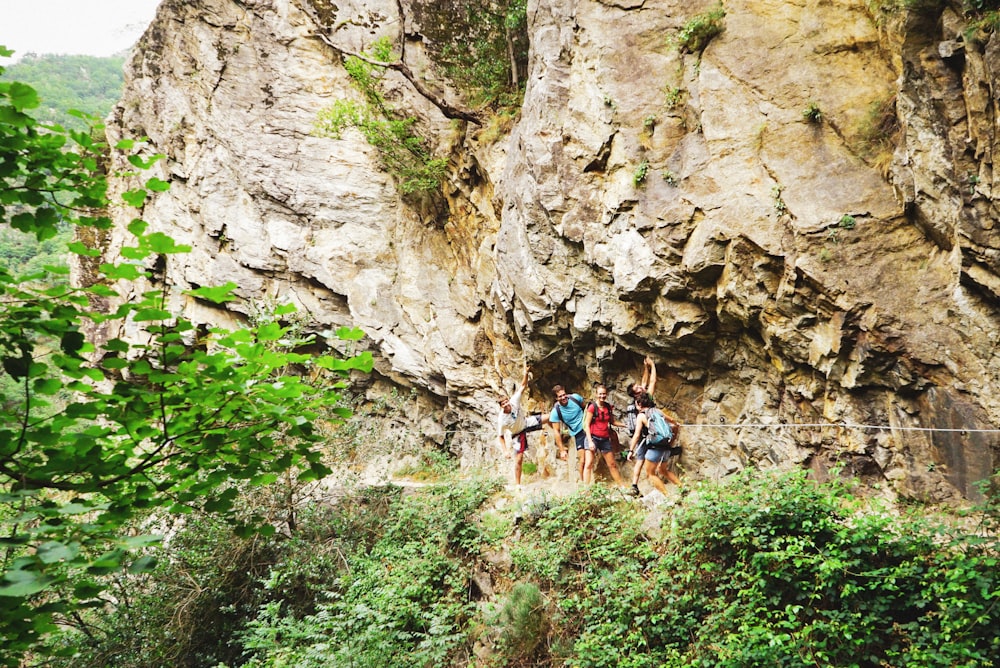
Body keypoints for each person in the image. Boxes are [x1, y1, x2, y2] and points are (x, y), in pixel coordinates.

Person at [496, 366, 550, 485]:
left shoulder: (514, 401)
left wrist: (525, 373)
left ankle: (554, 434)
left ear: (508, 401)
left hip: (526, 422)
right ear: (501, 406)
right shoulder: (502, 419)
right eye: (503, 404)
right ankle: (518, 484)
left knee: (550, 417)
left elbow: (522, 386)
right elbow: (500, 436)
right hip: (517, 433)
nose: (506, 405)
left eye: (506, 402)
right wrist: (505, 451)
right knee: (519, 459)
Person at [628, 393, 681, 496]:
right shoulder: (658, 411)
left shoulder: (641, 416)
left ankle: (667, 495)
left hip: (654, 448)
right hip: (665, 447)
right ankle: (682, 488)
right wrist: (671, 442)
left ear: (639, 404)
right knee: (663, 470)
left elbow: (637, 434)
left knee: (650, 474)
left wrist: (631, 450)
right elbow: (675, 423)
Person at [582, 384, 627, 488]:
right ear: (596, 394)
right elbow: (587, 425)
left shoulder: (607, 407)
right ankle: (584, 489)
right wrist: (590, 441)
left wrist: (625, 425)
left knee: (612, 464)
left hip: (605, 439)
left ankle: (621, 486)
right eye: (600, 394)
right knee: (589, 463)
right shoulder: (592, 407)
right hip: (593, 437)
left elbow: (612, 421)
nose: (602, 396)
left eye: (604, 394)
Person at [625, 356, 657, 496]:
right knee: (672, 429)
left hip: (640, 436)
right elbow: (652, 381)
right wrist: (653, 365)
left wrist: (646, 367)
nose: (640, 386)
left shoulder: (636, 402)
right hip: (649, 433)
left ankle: (634, 486)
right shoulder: (646, 399)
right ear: (636, 393)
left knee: (640, 460)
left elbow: (644, 381)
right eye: (638, 388)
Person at [548, 384, 589, 483]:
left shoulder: (575, 398)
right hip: (578, 433)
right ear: (556, 398)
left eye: (564, 394)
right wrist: (562, 450)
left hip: (588, 428)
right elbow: (556, 432)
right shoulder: (555, 412)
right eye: (560, 396)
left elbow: (586, 408)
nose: (563, 398)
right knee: (582, 460)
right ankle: (583, 483)